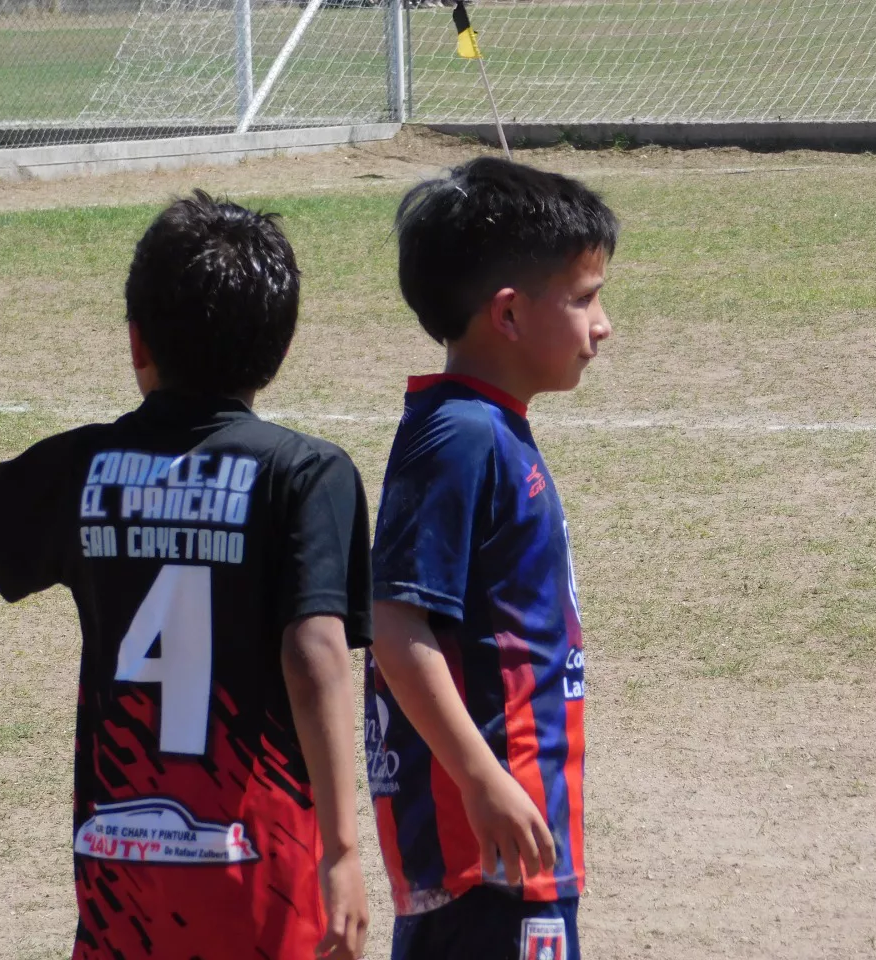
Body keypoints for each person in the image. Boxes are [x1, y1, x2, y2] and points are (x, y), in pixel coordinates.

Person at [0, 191, 371, 960]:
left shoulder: (90, 468)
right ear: (280, 345)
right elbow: (314, 651)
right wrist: (344, 848)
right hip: (258, 868)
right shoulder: (308, 476)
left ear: (137, 340)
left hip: (125, 864)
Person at [364, 157, 618, 960]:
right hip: (488, 865)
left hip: (513, 848)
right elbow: (397, 621)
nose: (603, 323)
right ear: (507, 316)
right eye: (583, 299)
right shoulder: (462, 437)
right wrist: (481, 778)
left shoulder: (489, 427)